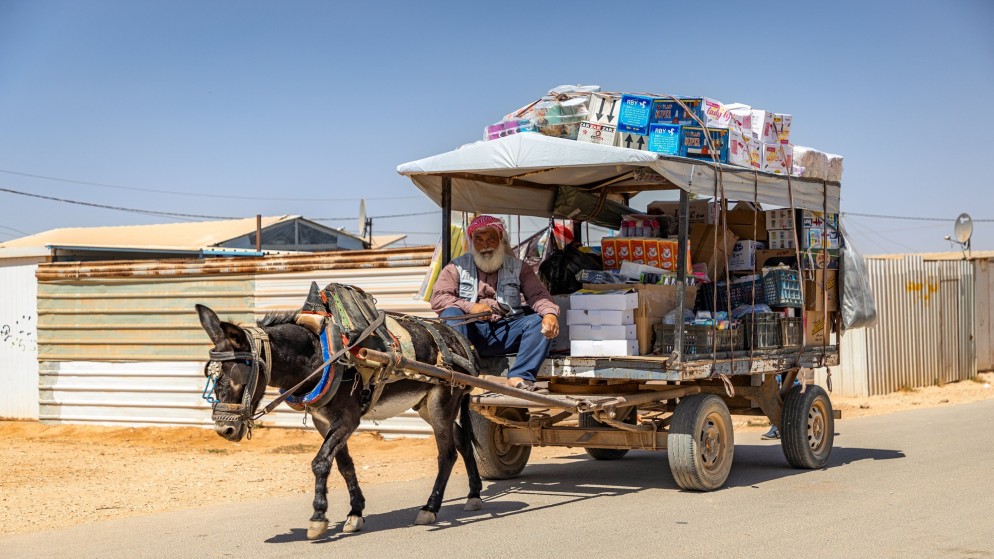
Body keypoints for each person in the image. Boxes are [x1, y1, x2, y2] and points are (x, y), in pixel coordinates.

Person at [431, 215, 560, 393]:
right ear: (472, 241)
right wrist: (471, 307)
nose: (486, 244)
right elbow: (438, 298)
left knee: (538, 321)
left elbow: (538, 295)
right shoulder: (456, 267)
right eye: (479, 239)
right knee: (451, 313)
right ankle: (461, 373)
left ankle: (519, 377)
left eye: (491, 238)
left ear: (500, 238)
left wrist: (550, 314)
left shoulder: (519, 267)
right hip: (469, 334)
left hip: (505, 331)